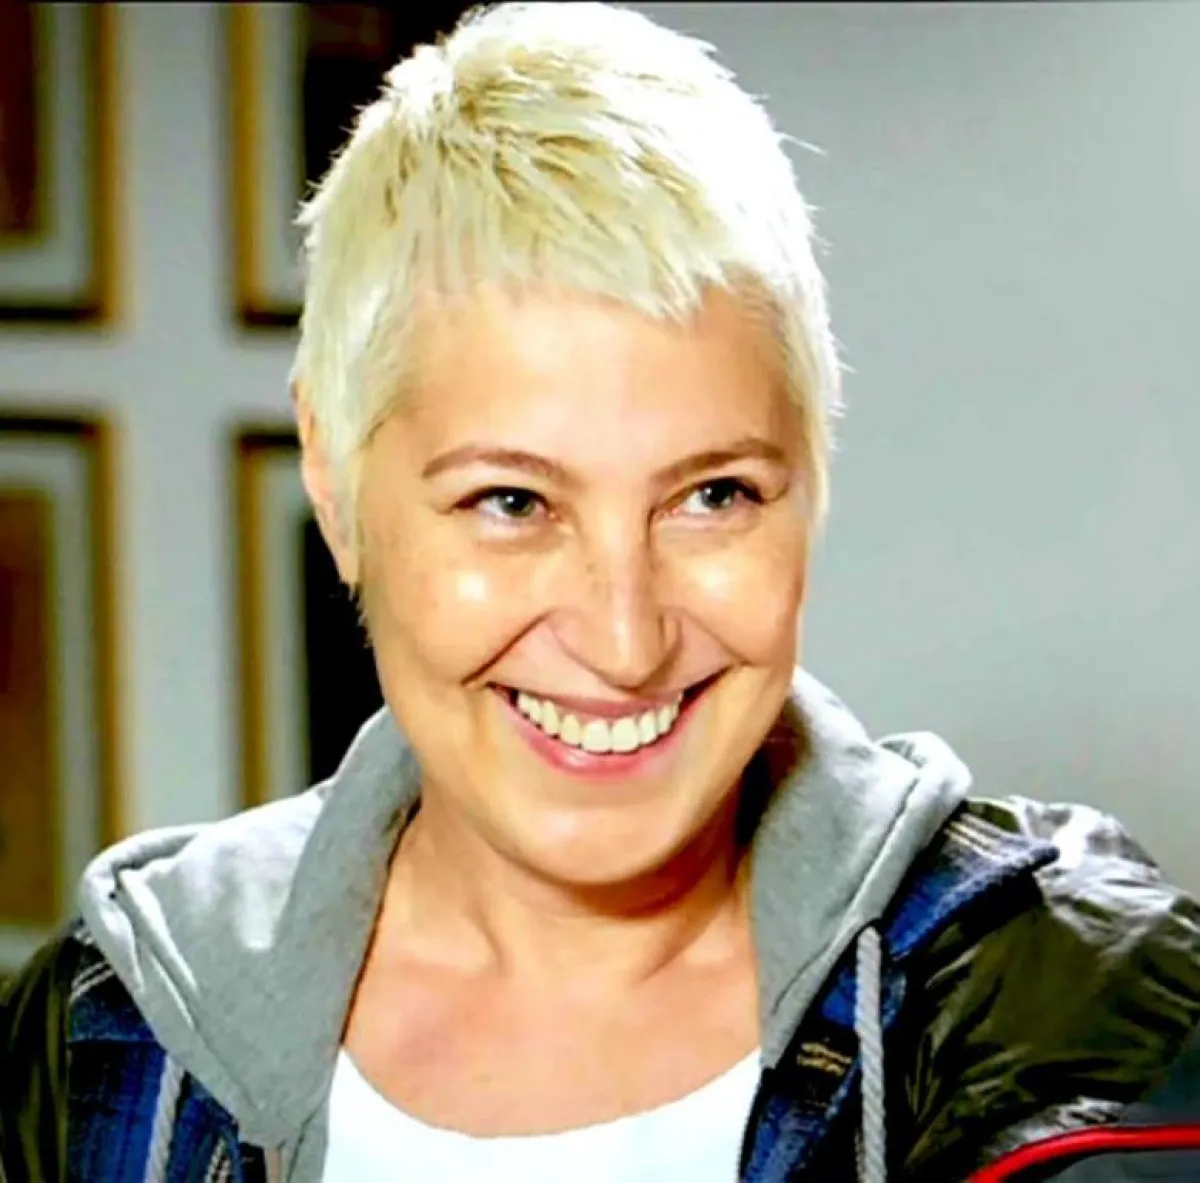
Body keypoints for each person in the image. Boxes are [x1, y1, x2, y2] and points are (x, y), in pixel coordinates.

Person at [3, 4, 1200, 1181]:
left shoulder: (1081, 1021)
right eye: (512, 502)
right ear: (334, 481)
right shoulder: (104, 1043)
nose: (625, 641)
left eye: (714, 495)